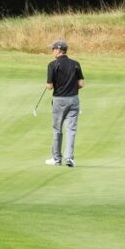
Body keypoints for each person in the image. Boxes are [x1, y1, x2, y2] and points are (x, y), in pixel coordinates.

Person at [42, 38, 84, 167]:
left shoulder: (52, 65)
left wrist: (50, 85)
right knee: (71, 129)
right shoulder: (75, 64)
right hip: (73, 99)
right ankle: (69, 158)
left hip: (59, 100)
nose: (52, 51)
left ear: (59, 50)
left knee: (57, 129)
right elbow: (81, 84)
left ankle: (57, 158)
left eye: (53, 49)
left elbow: (49, 86)